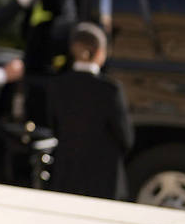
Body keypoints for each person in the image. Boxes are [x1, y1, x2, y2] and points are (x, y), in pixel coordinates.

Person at [43, 22, 134, 200]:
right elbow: (126, 138)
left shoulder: (57, 85)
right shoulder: (110, 90)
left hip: (67, 175)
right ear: (100, 52)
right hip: (103, 179)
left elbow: (54, 127)